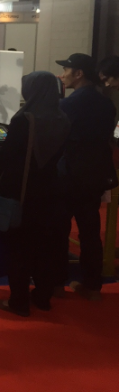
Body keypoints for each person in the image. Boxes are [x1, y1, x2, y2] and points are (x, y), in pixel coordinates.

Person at [0, 72, 71, 317]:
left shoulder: (24, 119)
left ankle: (18, 301)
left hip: (22, 191)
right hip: (52, 190)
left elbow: (7, 156)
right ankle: (43, 297)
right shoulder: (63, 118)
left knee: (19, 248)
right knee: (46, 247)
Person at [56, 53, 116, 300]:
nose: (62, 75)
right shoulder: (107, 104)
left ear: (79, 73)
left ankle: (55, 284)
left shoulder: (67, 105)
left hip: (68, 176)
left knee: (59, 231)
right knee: (90, 232)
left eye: (66, 70)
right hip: (94, 177)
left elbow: (56, 139)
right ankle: (92, 286)